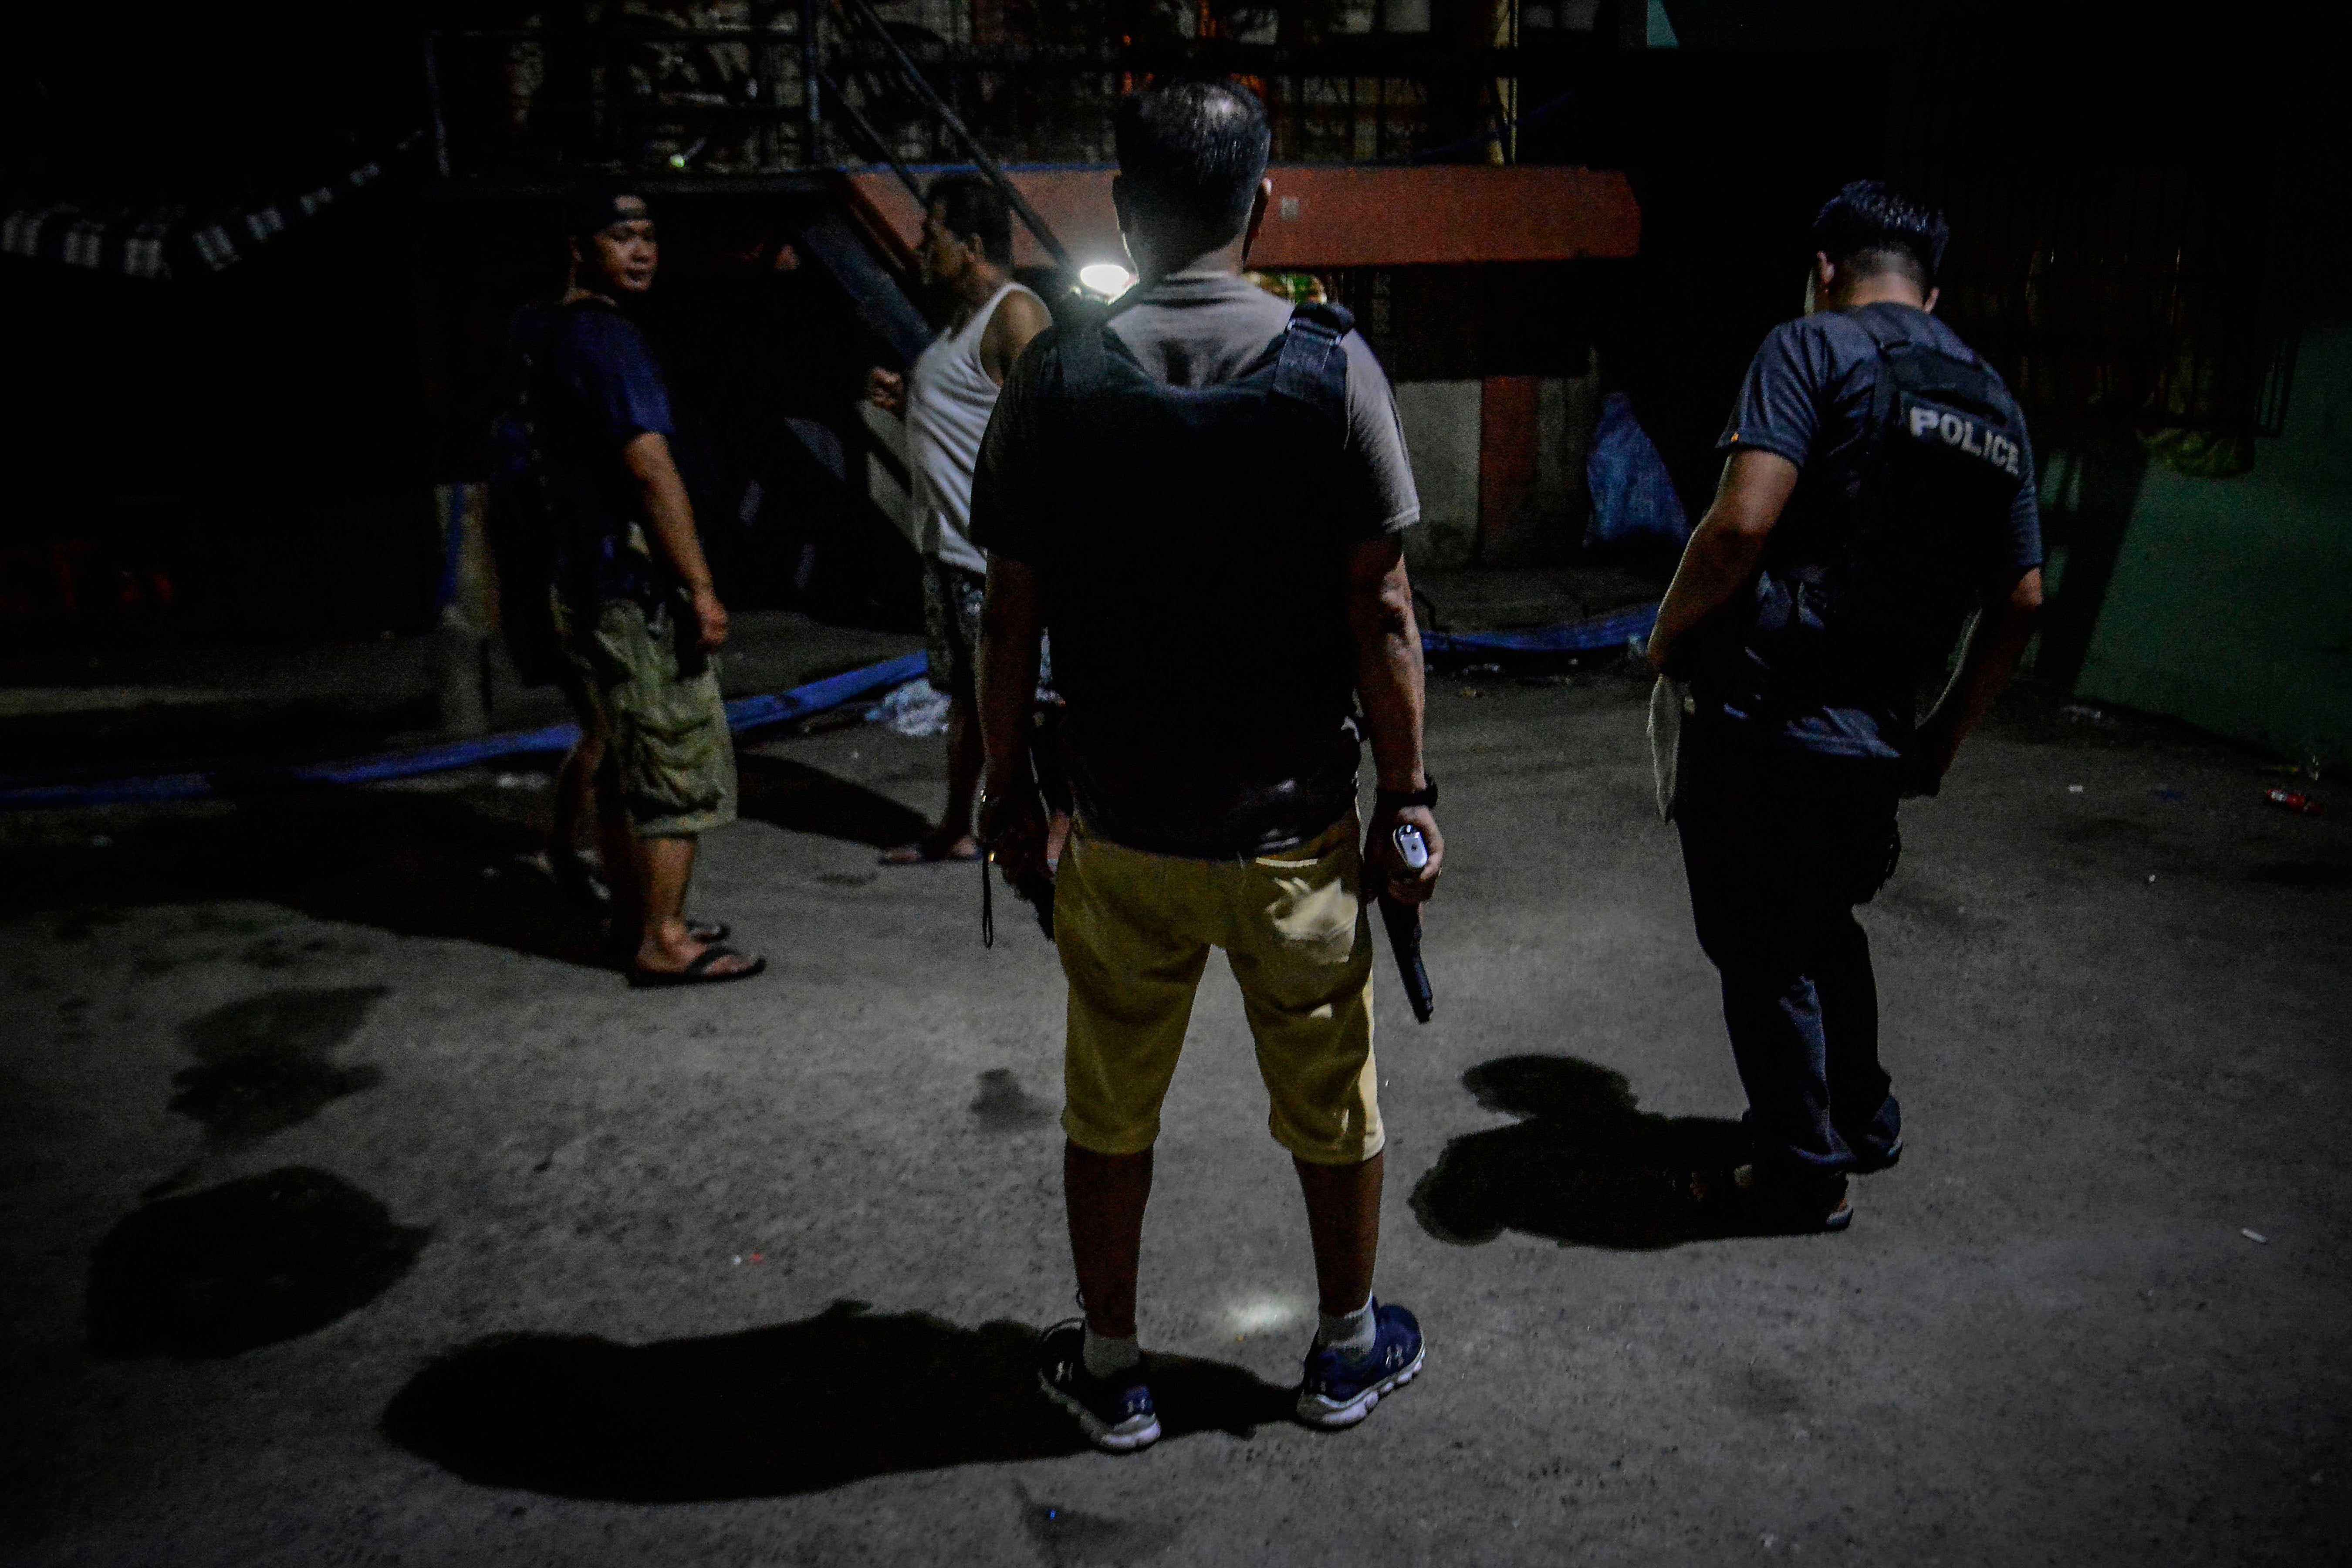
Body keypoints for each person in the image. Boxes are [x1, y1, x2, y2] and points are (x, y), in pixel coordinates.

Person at [971, 80, 1440, 1452]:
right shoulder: (1334, 367)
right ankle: (1344, 1352)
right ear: (1264, 204)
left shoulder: (1056, 377)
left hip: (1122, 835)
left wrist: (1008, 793)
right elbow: (1383, 609)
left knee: (1110, 1103)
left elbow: (1010, 614)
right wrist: (1408, 798)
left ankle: (1113, 1368)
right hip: (1297, 836)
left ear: (1125, 209)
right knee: (1333, 1101)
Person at [1646, 180, 2044, 1230]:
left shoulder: (1810, 348)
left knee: (1763, 949)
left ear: (1825, 269)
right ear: (1932, 290)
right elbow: (2022, 599)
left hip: (1770, 720)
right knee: (1825, 922)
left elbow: (1742, 525)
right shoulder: (1993, 402)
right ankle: (1862, 1118)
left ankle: (1801, 1171)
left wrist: (1669, 636)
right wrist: (1942, 735)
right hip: (1880, 729)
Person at [529, 184, 764, 987]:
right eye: (622, 236)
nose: (642, 250)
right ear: (580, 248)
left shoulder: (552, 334)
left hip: (584, 581)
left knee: (622, 759)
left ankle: (633, 918)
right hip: (633, 588)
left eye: (650, 236)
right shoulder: (607, 339)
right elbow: (649, 468)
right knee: (673, 761)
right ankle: (664, 939)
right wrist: (700, 586)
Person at [865, 174, 1054, 865]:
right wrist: (911, 399)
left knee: (1031, 699)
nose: (921, 247)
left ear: (972, 246)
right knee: (970, 704)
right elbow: (974, 411)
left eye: (931, 234)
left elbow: (1048, 423)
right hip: (949, 550)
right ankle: (957, 827)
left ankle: (1059, 833)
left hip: (995, 558)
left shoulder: (1016, 312)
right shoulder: (957, 327)